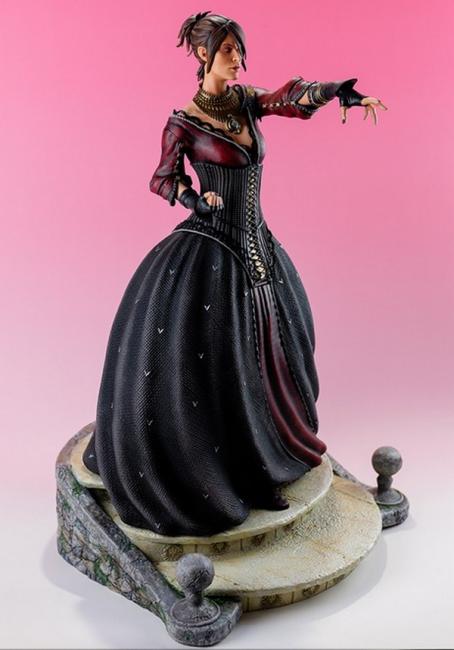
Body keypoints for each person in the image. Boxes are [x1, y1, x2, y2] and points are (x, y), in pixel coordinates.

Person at [82, 11, 387, 537]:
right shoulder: (183, 122)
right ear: (203, 54)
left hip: (259, 246)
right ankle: (231, 476)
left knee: (277, 350)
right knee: (216, 363)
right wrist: (194, 200)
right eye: (227, 50)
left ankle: (268, 462)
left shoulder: (246, 101)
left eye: (240, 50)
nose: (238, 59)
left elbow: (288, 97)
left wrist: (338, 91)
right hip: (210, 248)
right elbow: (162, 179)